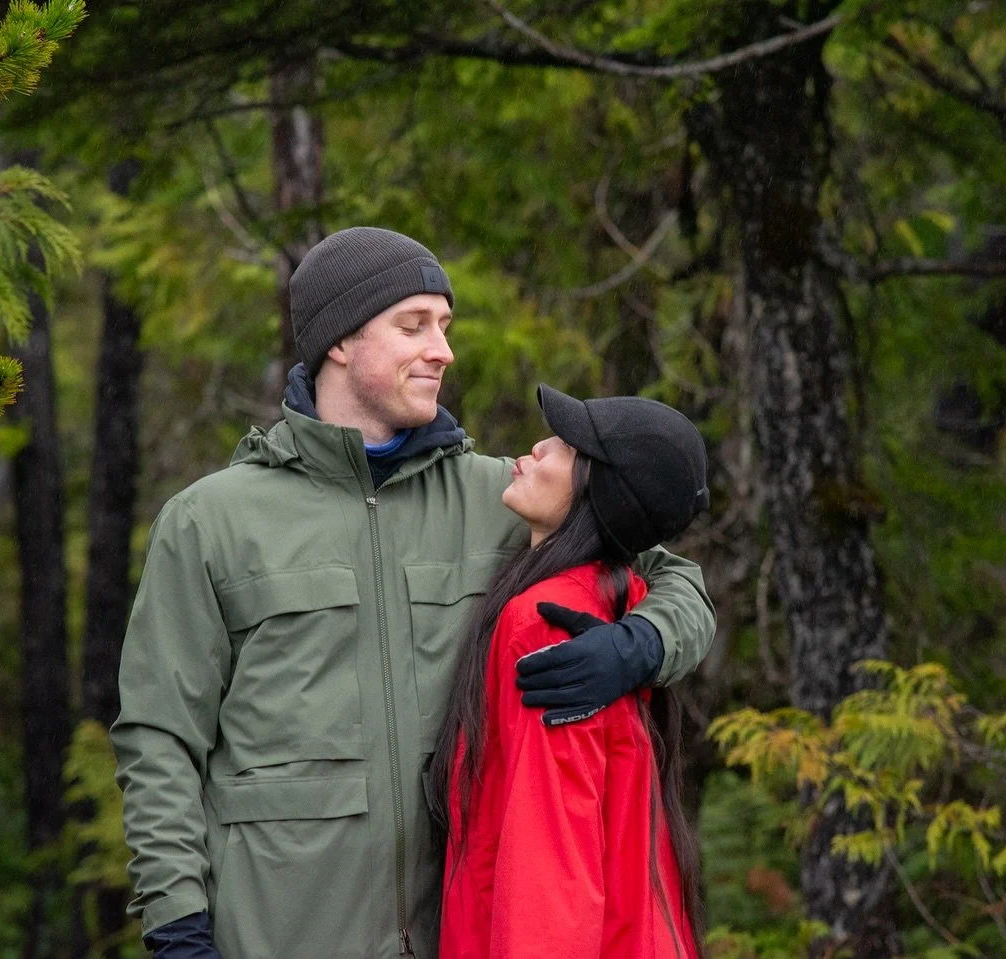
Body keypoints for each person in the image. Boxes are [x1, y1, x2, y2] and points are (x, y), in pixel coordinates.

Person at [112, 227, 715, 959]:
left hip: (454, 934)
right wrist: (177, 924)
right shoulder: (211, 522)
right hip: (277, 934)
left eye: (446, 326)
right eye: (414, 325)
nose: (443, 350)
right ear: (340, 340)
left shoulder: (500, 498)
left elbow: (675, 576)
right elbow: (159, 736)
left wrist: (642, 643)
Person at [432, 385, 708, 959]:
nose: (535, 446)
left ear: (595, 492)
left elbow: (552, 856)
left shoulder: (550, 623)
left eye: (563, 445)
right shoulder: (615, 598)